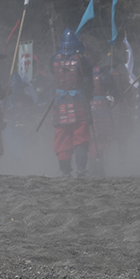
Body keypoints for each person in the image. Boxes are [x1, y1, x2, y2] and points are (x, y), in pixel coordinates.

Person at [50, 28, 93, 178]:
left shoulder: (53, 60)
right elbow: (88, 81)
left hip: (60, 102)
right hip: (79, 103)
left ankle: (66, 172)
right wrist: (89, 97)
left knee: (62, 138)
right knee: (80, 136)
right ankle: (81, 170)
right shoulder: (83, 61)